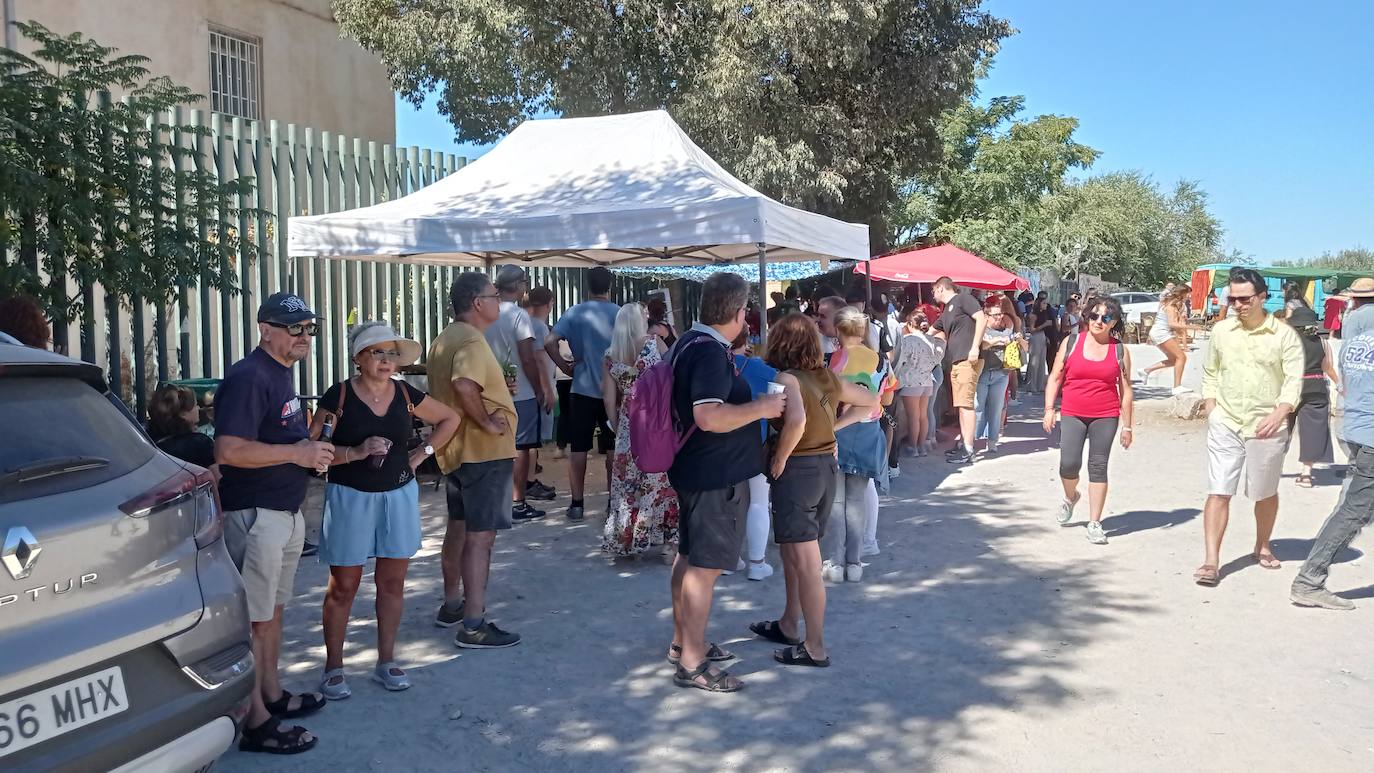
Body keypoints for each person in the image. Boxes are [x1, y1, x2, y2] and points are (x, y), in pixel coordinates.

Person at [310, 322, 460, 698]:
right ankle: (333, 667)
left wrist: (421, 454)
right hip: (349, 496)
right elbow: (313, 451)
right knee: (344, 586)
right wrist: (356, 452)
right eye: (377, 352)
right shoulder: (338, 396)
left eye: (392, 353)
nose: (386, 360)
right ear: (358, 358)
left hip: (398, 495)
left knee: (392, 583)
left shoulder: (406, 392)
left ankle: (387, 661)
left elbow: (450, 418)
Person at [213, 291, 331, 754]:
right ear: (265, 329)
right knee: (254, 620)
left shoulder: (279, 375)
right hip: (256, 515)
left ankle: (271, 693)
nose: (304, 336)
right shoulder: (248, 377)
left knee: (272, 616)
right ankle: (255, 723)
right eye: (294, 327)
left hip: (284, 514)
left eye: (309, 328)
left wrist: (313, 453)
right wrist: (298, 453)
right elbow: (229, 451)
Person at [666, 273, 785, 693]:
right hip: (713, 475)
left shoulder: (687, 343)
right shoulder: (711, 354)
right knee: (705, 566)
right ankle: (693, 662)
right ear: (739, 313)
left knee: (689, 557)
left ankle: (685, 643)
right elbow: (709, 416)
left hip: (695, 470)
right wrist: (763, 407)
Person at [753, 313, 877, 667]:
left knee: (805, 563)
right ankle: (790, 623)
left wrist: (780, 457)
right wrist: (834, 428)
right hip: (824, 468)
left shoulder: (786, 379)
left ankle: (815, 645)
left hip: (799, 472)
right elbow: (871, 399)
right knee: (794, 554)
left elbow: (795, 422)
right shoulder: (827, 377)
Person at [428, 272, 523, 648]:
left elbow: (465, 386)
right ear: (478, 302)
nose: (499, 301)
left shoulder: (448, 338)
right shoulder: (469, 339)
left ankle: (453, 604)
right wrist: (486, 420)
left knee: (460, 528)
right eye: (494, 295)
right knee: (480, 539)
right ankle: (474, 623)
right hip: (482, 453)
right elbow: (464, 385)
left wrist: (497, 390)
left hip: (458, 452)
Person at [1193, 267, 1304, 586]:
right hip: (1225, 422)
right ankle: (1211, 561)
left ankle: (1263, 544)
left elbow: (1294, 381)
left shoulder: (1284, 336)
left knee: (1264, 491)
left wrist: (1281, 412)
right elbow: (1210, 371)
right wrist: (1211, 406)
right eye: (1233, 298)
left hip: (1266, 426)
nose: (1237, 304)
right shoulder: (1222, 332)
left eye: (1244, 299)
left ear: (1262, 298)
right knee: (1219, 490)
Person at [1290, 276, 1374, 609]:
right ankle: (1309, 581)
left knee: (1351, 507)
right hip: (1370, 435)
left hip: (1353, 427)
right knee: (1353, 512)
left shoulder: (1352, 332)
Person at [1042, 297, 1135, 544]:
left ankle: (1095, 522)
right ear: (1087, 317)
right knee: (1068, 465)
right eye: (1094, 316)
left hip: (1106, 415)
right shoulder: (1071, 342)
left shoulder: (1119, 350)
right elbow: (1055, 377)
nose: (1098, 322)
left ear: (1113, 322)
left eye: (1105, 318)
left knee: (1098, 465)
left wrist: (1127, 425)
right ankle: (1071, 497)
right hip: (1073, 411)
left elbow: (1126, 390)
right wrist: (1049, 408)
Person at [601, 303, 678, 561]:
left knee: (626, 486)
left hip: (628, 426)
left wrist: (617, 425)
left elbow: (608, 399)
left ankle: (628, 541)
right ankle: (669, 543)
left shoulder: (611, 355)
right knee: (661, 482)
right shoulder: (655, 343)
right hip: (656, 423)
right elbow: (671, 379)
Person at [545, 267, 619, 522]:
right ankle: (614, 502)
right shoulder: (619, 314)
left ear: (588, 286)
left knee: (579, 448)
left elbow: (549, 341)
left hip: (581, 388)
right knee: (612, 448)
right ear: (610, 286)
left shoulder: (574, 312)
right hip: (614, 390)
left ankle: (577, 503)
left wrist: (564, 365)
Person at [823, 306, 889, 582]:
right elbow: (886, 400)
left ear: (838, 330)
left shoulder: (836, 359)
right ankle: (855, 562)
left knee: (836, 502)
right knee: (856, 501)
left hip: (839, 432)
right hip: (869, 432)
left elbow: (828, 398)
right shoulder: (880, 360)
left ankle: (835, 563)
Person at [485, 265, 552, 521]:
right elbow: (527, 357)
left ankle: (497, 500)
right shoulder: (518, 316)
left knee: (496, 446)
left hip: (490, 391)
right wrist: (539, 388)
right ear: (519, 285)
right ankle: (517, 502)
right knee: (521, 449)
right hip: (520, 393)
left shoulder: (486, 313)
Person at [728, 330, 782, 581]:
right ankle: (757, 563)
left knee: (729, 502)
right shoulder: (761, 369)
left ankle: (728, 559)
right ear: (746, 342)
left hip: (721, 443)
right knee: (759, 501)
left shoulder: (715, 365)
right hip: (755, 441)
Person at [931, 277, 987, 465]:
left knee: (966, 404)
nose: (933, 294)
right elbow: (932, 330)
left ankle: (968, 448)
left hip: (967, 358)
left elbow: (981, 318)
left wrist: (975, 347)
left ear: (941, 288)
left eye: (934, 290)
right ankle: (964, 442)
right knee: (961, 404)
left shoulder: (963, 299)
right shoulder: (947, 310)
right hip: (955, 361)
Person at [1284, 307, 1339, 488]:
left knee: (1281, 429)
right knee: (1313, 431)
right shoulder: (1322, 343)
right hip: (1315, 388)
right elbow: (1327, 367)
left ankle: (1271, 467)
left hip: (1289, 389)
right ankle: (1306, 474)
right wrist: (1340, 384)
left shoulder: (1285, 343)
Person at [523, 287, 558, 500]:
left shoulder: (524, 321)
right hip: (535, 388)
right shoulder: (539, 327)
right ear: (549, 303)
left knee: (530, 440)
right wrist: (546, 389)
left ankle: (527, 481)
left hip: (528, 387)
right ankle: (528, 482)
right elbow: (539, 360)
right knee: (532, 441)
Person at [893, 310, 943, 457]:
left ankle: (912, 447)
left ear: (909, 324)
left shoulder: (908, 340)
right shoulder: (930, 340)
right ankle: (922, 446)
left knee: (913, 417)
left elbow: (900, 360)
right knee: (923, 415)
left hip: (911, 381)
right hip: (927, 380)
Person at [974, 297, 1016, 455]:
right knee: (978, 408)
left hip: (1000, 374)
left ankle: (992, 442)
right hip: (983, 374)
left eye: (1000, 314)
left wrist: (1017, 341)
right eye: (995, 315)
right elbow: (983, 344)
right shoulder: (982, 329)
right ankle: (973, 440)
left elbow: (1018, 340)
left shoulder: (1007, 328)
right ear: (987, 315)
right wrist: (998, 340)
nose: (999, 317)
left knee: (996, 409)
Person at [1140, 284, 1198, 393]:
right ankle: (1177, 387)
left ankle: (1146, 370)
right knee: (1181, 357)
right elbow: (1172, 324)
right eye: (1188, 294)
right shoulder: (1171, 306)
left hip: (1160, 333)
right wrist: (1191, 326)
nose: (1189, 296)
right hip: (1161, 333)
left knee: (1174, 360)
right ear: (1182, 294)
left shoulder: (1172, 304)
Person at [148, 384, 217, 470]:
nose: (198, 408)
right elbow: (220, 478)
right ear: (183, 414)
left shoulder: (147, 440)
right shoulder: (201, 444)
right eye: (195, 405)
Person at [1025, 294, 1054, 394]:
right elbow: (1032, 330)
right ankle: (1031, 385)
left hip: (1042, 336)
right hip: (1035, 337)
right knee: (1034, 362)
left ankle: (1040, 384)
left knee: (1041, 362)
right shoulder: (1033, 315)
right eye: (1044, 303)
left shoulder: (1044, 314)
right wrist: (1044, 325)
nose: (1046, 305)